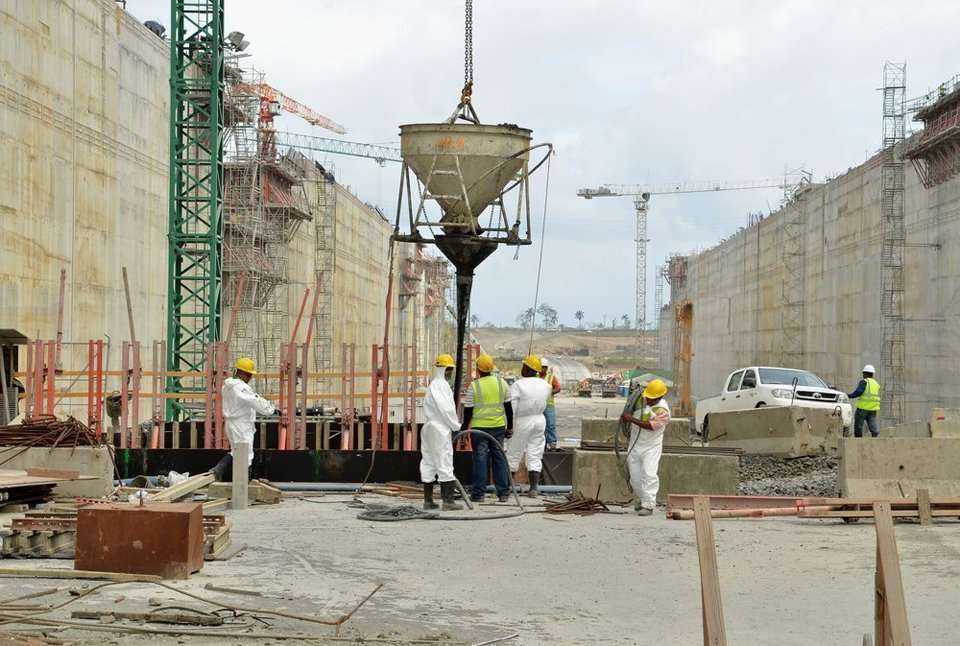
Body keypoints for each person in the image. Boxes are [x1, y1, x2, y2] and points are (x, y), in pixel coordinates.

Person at [211, 358, 277, 482]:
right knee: (246, 454)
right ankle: (243, 484)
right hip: (241, 425)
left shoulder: (228, 386)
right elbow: (254, 400)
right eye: (249, 375)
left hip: (232, 424)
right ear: (243, 373)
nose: (250, 377)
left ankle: (218, 469)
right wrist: (271, 410)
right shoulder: (241, 388)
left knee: (236, 451)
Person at [460, 354, 513, 502]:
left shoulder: (474, 386)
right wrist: (510, 427)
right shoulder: (502, 383)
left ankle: (478, 495)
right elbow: (509, 408)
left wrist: (464, 429)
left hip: (479, 429)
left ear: (478, 369)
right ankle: (503, 493)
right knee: (499, 458)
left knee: (480, 459)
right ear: (492, 368)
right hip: (498, 427)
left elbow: (468, 411)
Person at [619, 378, 671, 516]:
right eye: (647, 397)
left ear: (660, 397)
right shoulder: (643, 399)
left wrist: (630, 419)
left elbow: (651, 426)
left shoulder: (663, 410)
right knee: (634, 477)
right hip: (635, 445)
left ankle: (648, 505)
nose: (647, 400)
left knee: (649, 474)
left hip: (651, 447)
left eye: (651, 399)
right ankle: (642, 499)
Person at [420, 353, 463, 511]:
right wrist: (456, 426)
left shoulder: (433, 385)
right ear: (443, 369)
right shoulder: (441, 385)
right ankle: (448, 501)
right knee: (444, 461)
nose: (450, 373)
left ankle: (428, 500)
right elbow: (447, 410)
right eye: (449, 370)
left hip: (429, 427)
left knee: (429, 461)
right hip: (439, 428)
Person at [506, 355, 552, 497]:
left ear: (527, 368)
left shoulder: (518, 385)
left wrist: (509, 426)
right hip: (539, 420)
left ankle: (508, 487)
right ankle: (533, 488)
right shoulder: (546, 385)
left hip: (522, 421)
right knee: (535, 453)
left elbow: (512, 408)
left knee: (514, 452)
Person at [848, 364, 881, 438]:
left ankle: (858, 440)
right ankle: (875, 437)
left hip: (863, 408)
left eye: (863, 373)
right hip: (873, 409)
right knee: (872, 424)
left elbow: (858, 392)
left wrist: (849, 396)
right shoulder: (876, 384)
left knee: (858, 425)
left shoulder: (864, 382)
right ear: (873, 374)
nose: (863, 375)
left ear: (865, 373)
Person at [539, 358, 561, 450]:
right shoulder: (535, 377)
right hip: (538, 405)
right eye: (541, 367)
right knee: (539, 425)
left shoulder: (551, 376)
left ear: (546, 368)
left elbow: (558, 388)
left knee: (550, 424)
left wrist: (550, 392)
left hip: (549, 405)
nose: (542, 369)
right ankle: (541, 443)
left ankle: (552, 442)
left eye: (544, 367)